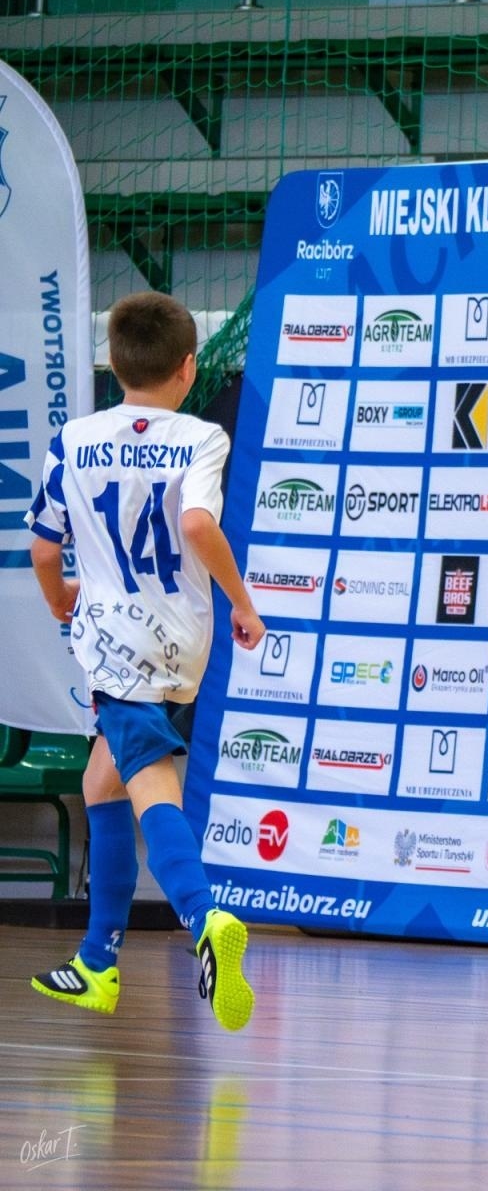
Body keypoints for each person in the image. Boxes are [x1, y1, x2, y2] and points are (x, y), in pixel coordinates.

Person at [25, 291, 266, 1031]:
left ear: (113, 362)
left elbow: (43, 549)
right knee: (103, 779)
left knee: (150, 782)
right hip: (180, 634)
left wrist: (60, 599)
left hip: (113, 640)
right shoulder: (201, 437)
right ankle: (96, 962)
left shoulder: (73, 439)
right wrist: (241, 602)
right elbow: (196, 523)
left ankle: (203, 918)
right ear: (189, 368)